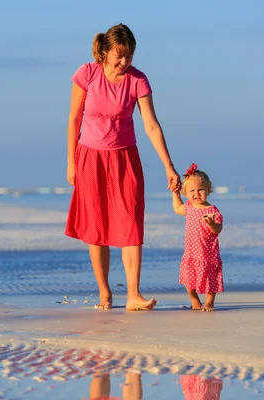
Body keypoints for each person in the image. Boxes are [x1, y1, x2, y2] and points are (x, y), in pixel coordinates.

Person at [65, 23, 180, 311]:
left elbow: (151, 125)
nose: (124, 62)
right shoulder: (87, 74)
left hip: (125, 157)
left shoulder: (137, 80)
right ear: (104, 52)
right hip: (90, 156)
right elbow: (74, 120)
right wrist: (71, 162)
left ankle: (133, 295)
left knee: (130, 223)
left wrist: (169, 166)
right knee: (96, 227)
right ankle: (105, 293)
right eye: (119, 56)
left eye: (128, 56)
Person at [172, 163, 224, 311]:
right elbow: (177, 208)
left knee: (211, 276)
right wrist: (175, 193)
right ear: (186, 193)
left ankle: (209, 302)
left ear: (208, 190)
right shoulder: (189, 207)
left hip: (208, 252)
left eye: (201, 190)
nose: (196, 194)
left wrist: (211, 224)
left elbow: (218, 229)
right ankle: (194, 299)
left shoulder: (212, 210)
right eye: (192, 191)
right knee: (190, 277)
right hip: (191, 252)